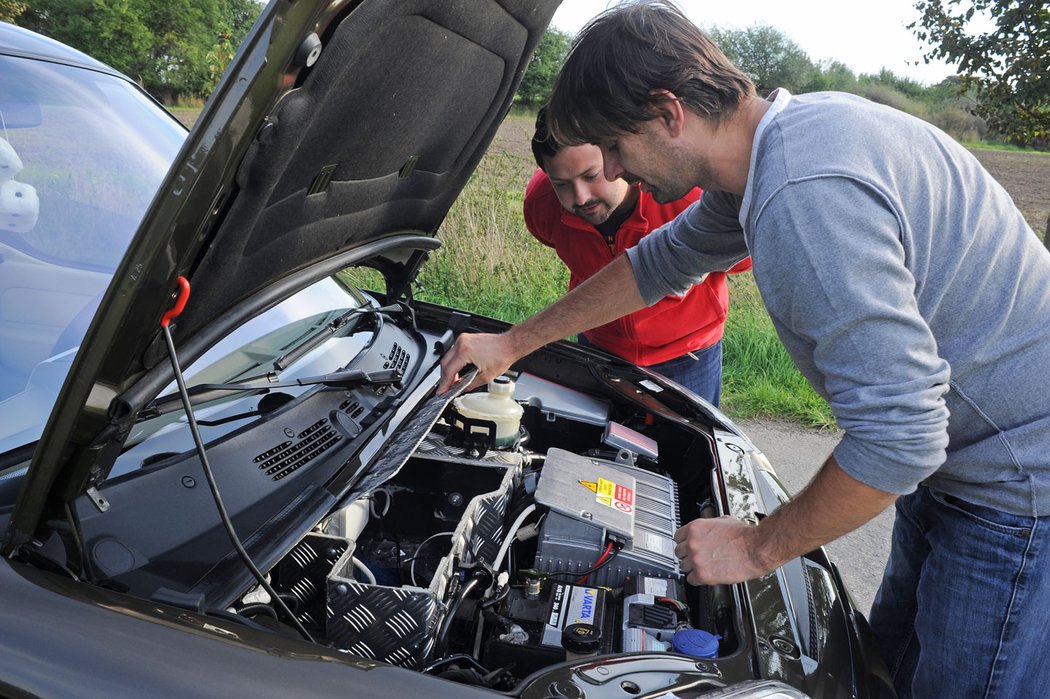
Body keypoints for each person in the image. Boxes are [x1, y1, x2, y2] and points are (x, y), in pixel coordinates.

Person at [439, 2, 1050, 696]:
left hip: (1016, 481)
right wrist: (513, 343)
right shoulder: (783, 145)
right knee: (889, 677)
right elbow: (656, 264)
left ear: (669, 112)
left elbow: (901, 439)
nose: (612, 170)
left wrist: (757, 546)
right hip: (964, 462)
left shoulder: (802, 195)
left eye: (613, 146)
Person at [525, 107, 750, 405]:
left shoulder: (690, 198)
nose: (580, 197)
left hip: (687, 355)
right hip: (597, 347)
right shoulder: (540, 205)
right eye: (562, 184)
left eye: (591, 175)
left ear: (617, 155)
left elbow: (741, 260)